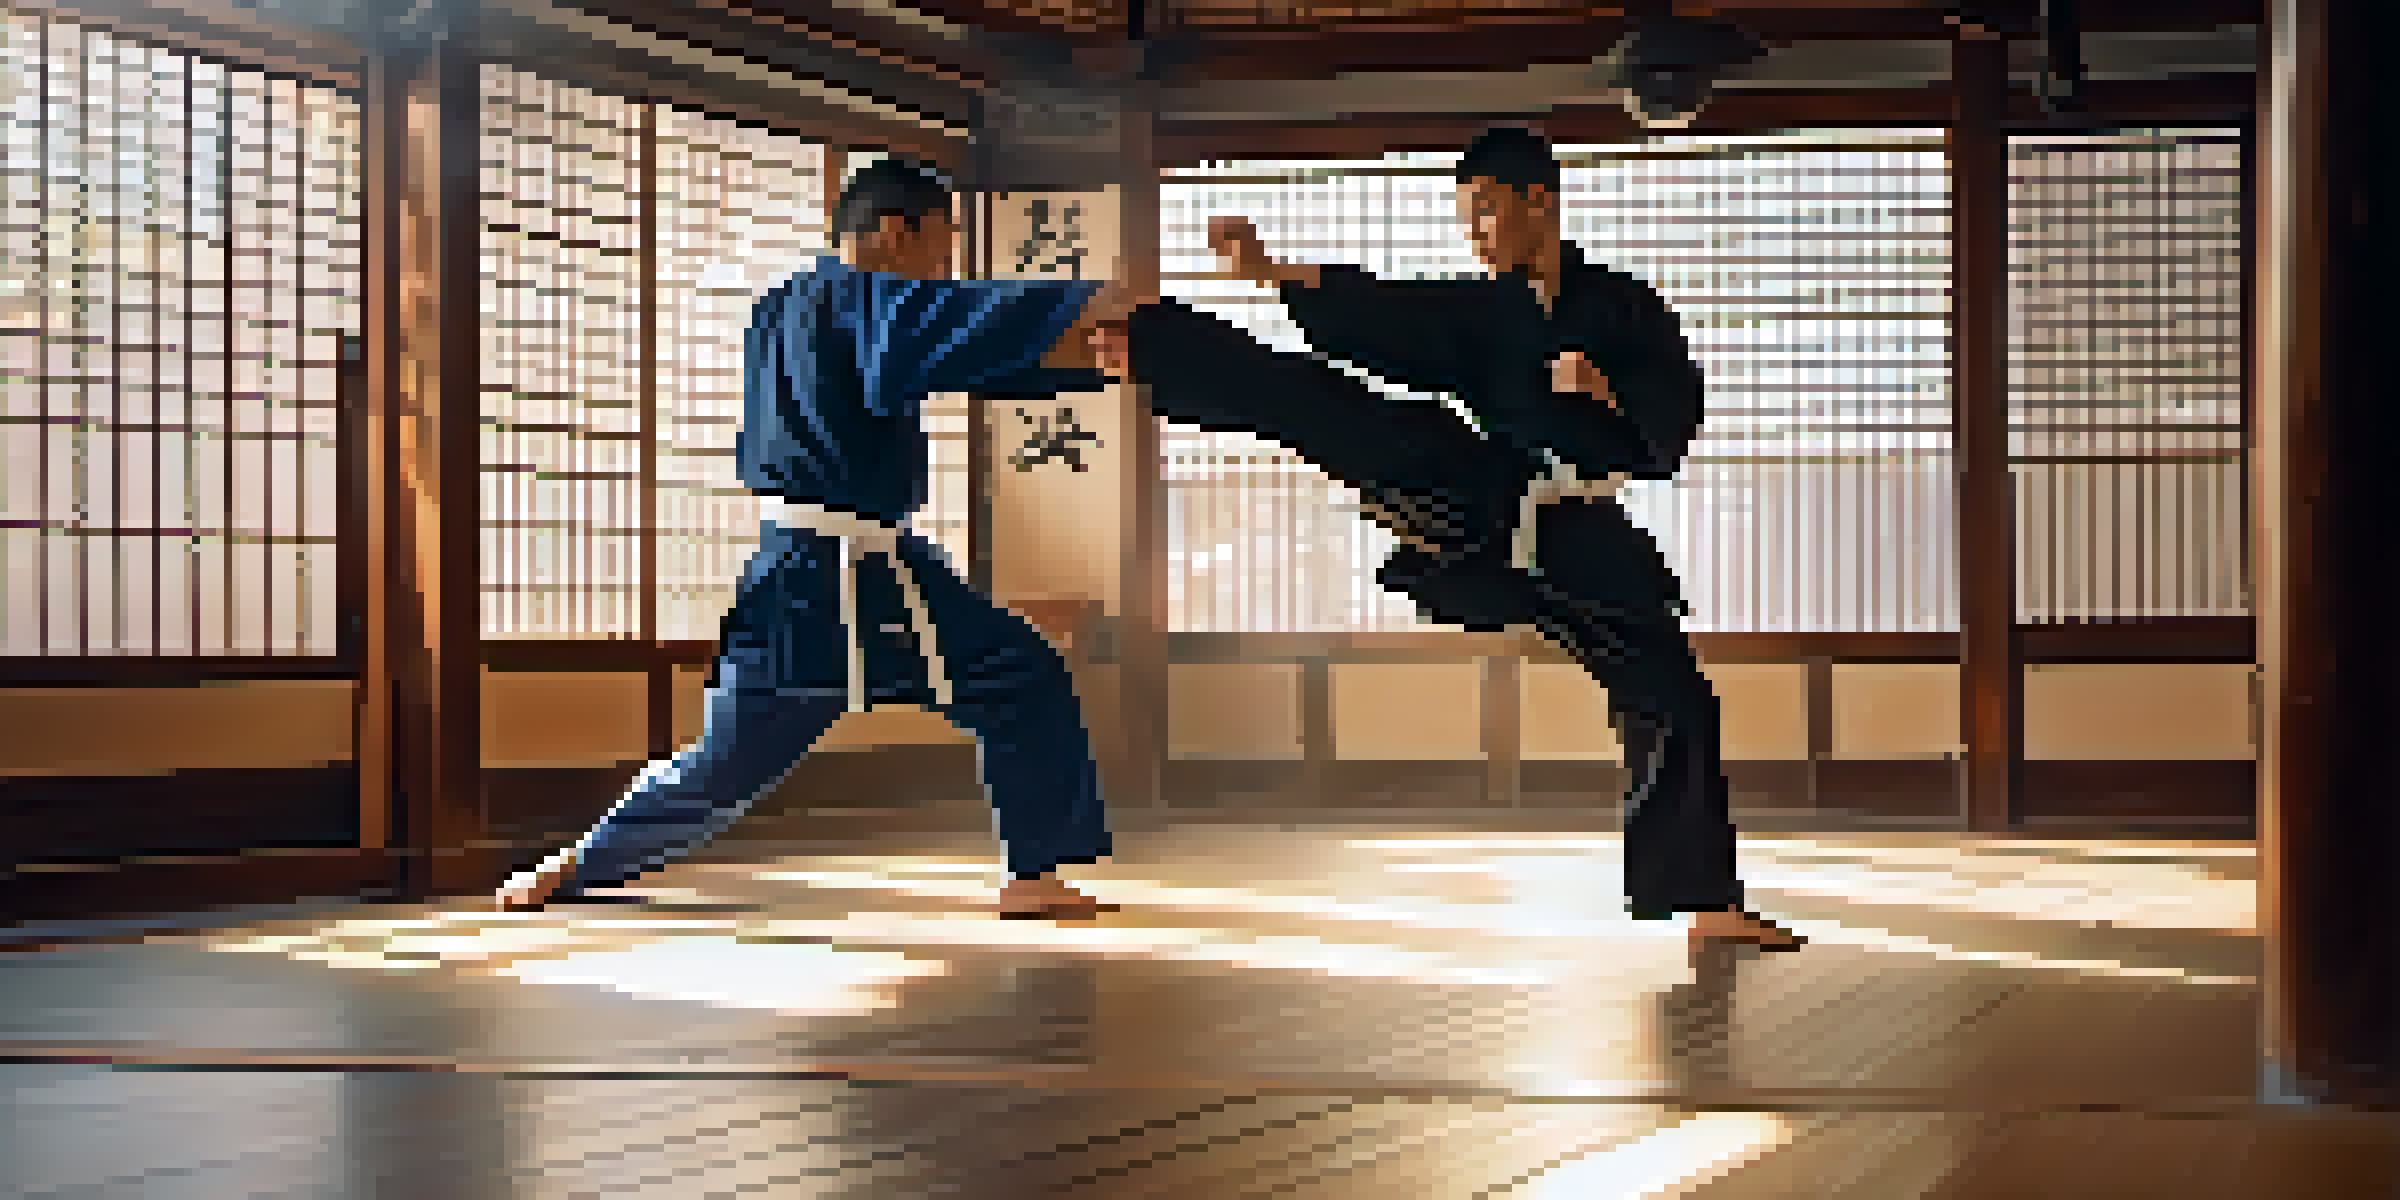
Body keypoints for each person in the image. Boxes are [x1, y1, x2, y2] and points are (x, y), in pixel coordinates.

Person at [1093, 126, 1800, 951]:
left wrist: (1603, 394)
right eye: (1466, 216)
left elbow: (1668, 427)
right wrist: (1271, 272)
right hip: (1477, 501)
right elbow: (1389, 316)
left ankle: (1704, 901)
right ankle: (1153, 342)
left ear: (1540, 200)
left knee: (1677, 697)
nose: (1476, 232)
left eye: (1487, 211)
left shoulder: (1622, 307)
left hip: (1581, 533)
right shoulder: (1480, 311)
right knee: (1343, 414)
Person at [492, 158, 1129, 918]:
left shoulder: (787, 305)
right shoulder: (866, 300)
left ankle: (1033, 873)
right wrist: (1088, 304)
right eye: (944, 241)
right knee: (736, 759)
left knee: (1013, 671)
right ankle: (583, 863)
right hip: (824, 577)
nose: (946, 263)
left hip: (844, 568)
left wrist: (1074, 360)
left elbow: (938, 354)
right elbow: (934, 339)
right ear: (896, 232)